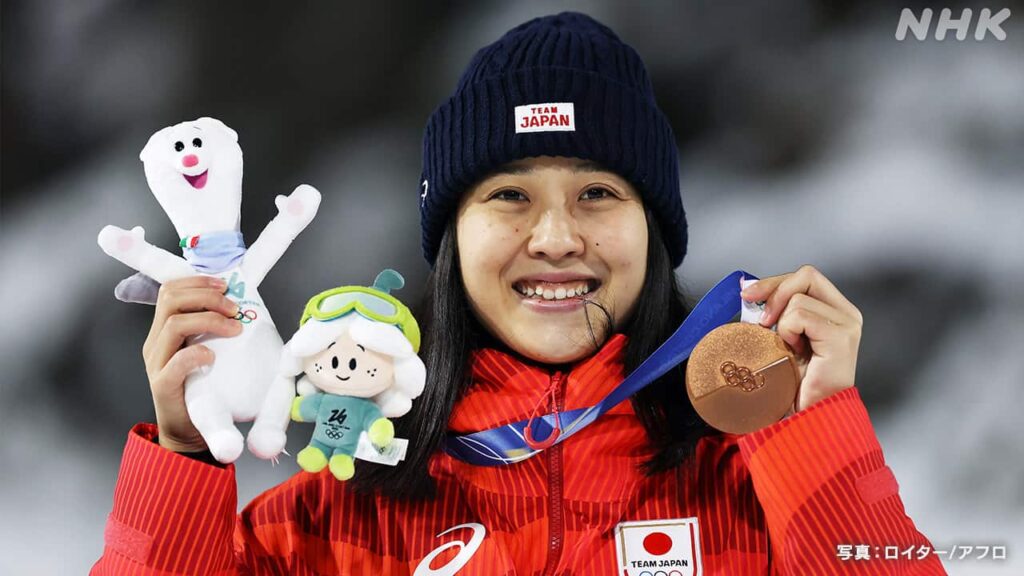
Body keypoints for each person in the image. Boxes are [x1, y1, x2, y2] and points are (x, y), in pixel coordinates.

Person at [91, 12, 946, 575]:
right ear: (451, 240)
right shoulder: (329, 525)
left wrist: (813, 439)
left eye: (598, 193)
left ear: (654, 233)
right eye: (509, 195)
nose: (556, 237)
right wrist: (185, 458)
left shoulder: (762, 492)